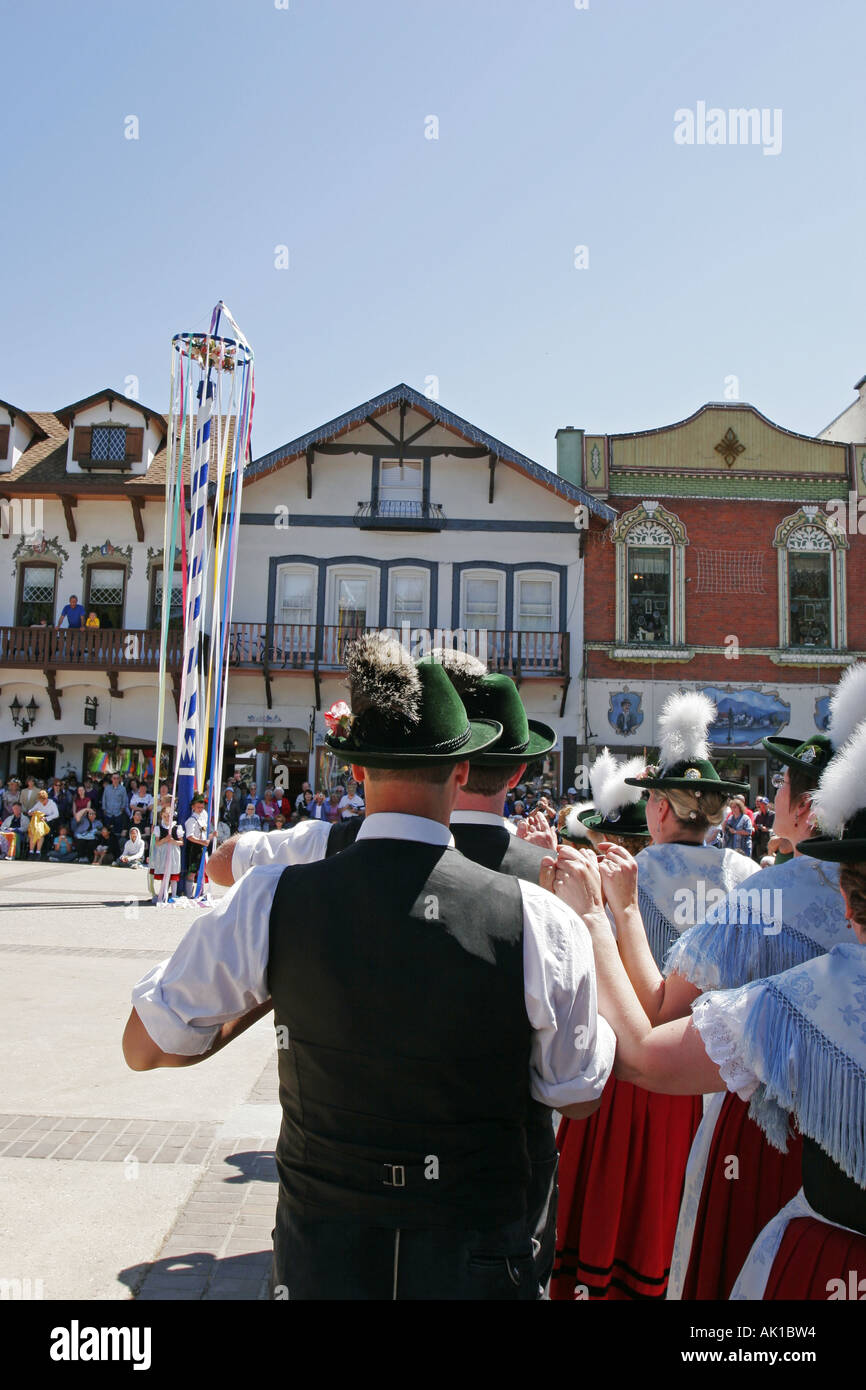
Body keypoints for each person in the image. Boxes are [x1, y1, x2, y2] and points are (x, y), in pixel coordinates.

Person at [125, 635, 614, 1300]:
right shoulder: (540, 917)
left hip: (322, 1257)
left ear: (354, 770)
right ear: (462, 770)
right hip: (474, 1258)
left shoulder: (273, 899)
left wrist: (268, 990)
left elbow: (145, 1047)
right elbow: (575, 1095)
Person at [547, 719, 866, 1301]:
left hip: (750, 1114)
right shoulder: (748, 874)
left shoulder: (766, 894)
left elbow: (657, 1025)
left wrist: (609, 915)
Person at [550, 691, 759, 1302]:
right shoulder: (747, 877)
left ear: (662, 809)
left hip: (636, 1077)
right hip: (723, 1083)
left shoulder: (623, 876)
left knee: (620, 1228)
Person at [150, 804, 184, 903]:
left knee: (173, 876)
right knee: (164, 875)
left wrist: (173, 841)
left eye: (169, 816)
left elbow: (181, 842)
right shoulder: (159, 828)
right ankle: (163, 894)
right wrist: (165, 839)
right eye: (165, 816)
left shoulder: (177, 827)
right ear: (162, 816)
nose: (167, 818)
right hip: (163, 853)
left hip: (173, 853)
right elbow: (157, 843)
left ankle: (173, 895)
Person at [184, 793, 211, 896]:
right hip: (194, 848)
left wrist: (212, 835)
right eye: (198, 807)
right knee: (192, 872)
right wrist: (202, 842)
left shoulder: (202, 819)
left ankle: (200, 892)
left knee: (202, 871)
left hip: (202, 847)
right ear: (193, 807)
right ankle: (189, 894)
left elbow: (204, 835)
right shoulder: (191, 820)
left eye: (201, 807)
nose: (200, 809)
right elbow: (189, 836)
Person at [101, 772, 129, 837]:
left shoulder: (123, 789)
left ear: (119, 779)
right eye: (114, 778)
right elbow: (104, 799)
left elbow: (124, 800)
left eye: (117, 778)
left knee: (117, 831)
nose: (116, 780)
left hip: (118, 813)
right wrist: (104, 809)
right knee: (107, 831)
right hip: (108, 812)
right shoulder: (107, 788)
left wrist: (122, 809)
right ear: (111, 779)